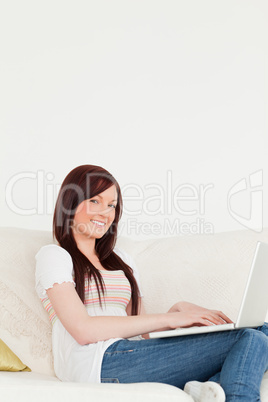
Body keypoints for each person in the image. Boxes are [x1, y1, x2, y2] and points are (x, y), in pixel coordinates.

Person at [35, 164, 268, 402]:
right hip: (97, 363)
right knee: (249, 337)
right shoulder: (54, 255)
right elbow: (82, 330)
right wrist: (171, 319)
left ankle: (206, 388)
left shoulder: (121, 260)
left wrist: (178, 310)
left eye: (112, 205)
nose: (105, 213)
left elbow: (142, 332)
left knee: (261, 329)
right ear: (70, 202)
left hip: (130, 353)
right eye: (95, 201)